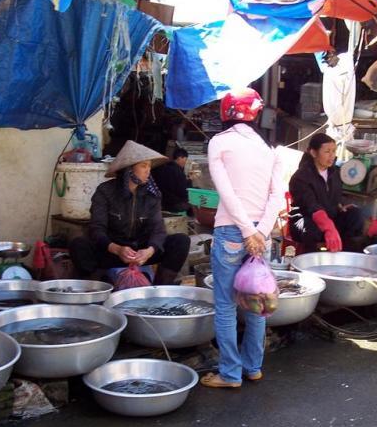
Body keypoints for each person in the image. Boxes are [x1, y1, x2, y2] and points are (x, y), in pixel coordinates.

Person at [200, 88, 284, 389]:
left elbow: (226, 192)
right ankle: (253, 367)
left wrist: (248, 231)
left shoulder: (219, 143)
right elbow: (277, 197)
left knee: (225, 304)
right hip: (261, 235)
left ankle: (230, 374)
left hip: (232, 232)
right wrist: (260, 231)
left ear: (225, 112)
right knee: (257, 301)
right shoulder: (268, 147)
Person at [69, 140, 190, 286]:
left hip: (141, 251)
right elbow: (97, 228)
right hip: (112, 251)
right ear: (129, 170)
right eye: (143, 166)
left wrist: (149, 251)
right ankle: (97, 288)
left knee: (181, 241)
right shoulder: (105, 191)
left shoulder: (152, 195)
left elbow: (158, 230)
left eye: (149, 166)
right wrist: (117, 248)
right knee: (78, 244)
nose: (148, 171)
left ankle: (159, 288)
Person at [288, 133, 365, 252]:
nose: (332, 156)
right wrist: (329, 228)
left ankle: (345, 254)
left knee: (355, 215)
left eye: (334, 151)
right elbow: (311, 206)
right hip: (305, 219)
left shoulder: (334, 173)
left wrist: (340, 206)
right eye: (327, 151)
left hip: (330, 217)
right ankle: (310, 262)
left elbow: (334, 197)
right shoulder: (300, 178)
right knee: (313, 230)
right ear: (314, 153)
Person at [152, 147, 191, 213]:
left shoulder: (163, 167)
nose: (185, 162)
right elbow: (183, 192)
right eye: (185, 159)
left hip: (161, 201)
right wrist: (189, 181)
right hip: (173, 204)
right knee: (194, 204)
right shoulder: (178, 171)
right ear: (180, 158)